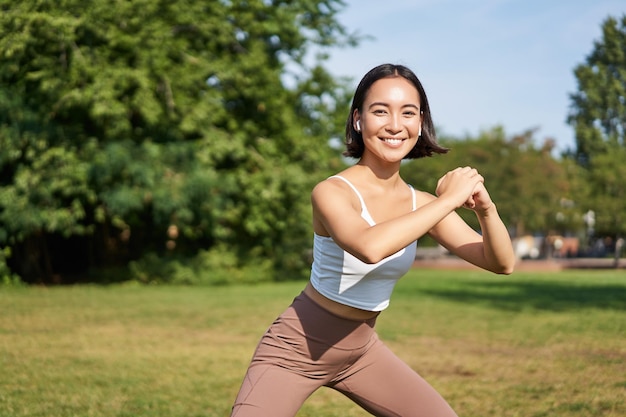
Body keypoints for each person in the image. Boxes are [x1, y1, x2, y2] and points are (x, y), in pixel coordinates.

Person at [230, 63, 515, 417]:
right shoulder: (332, 192)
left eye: (408, 113)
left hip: (361, 353)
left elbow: (501, 263)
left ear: (420, 122)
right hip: (294, 350)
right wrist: (447, 201)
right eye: (380, 111)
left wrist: (486, 211)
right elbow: (370, 247)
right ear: (358, 119)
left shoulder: (421, 204)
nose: (395, 125)